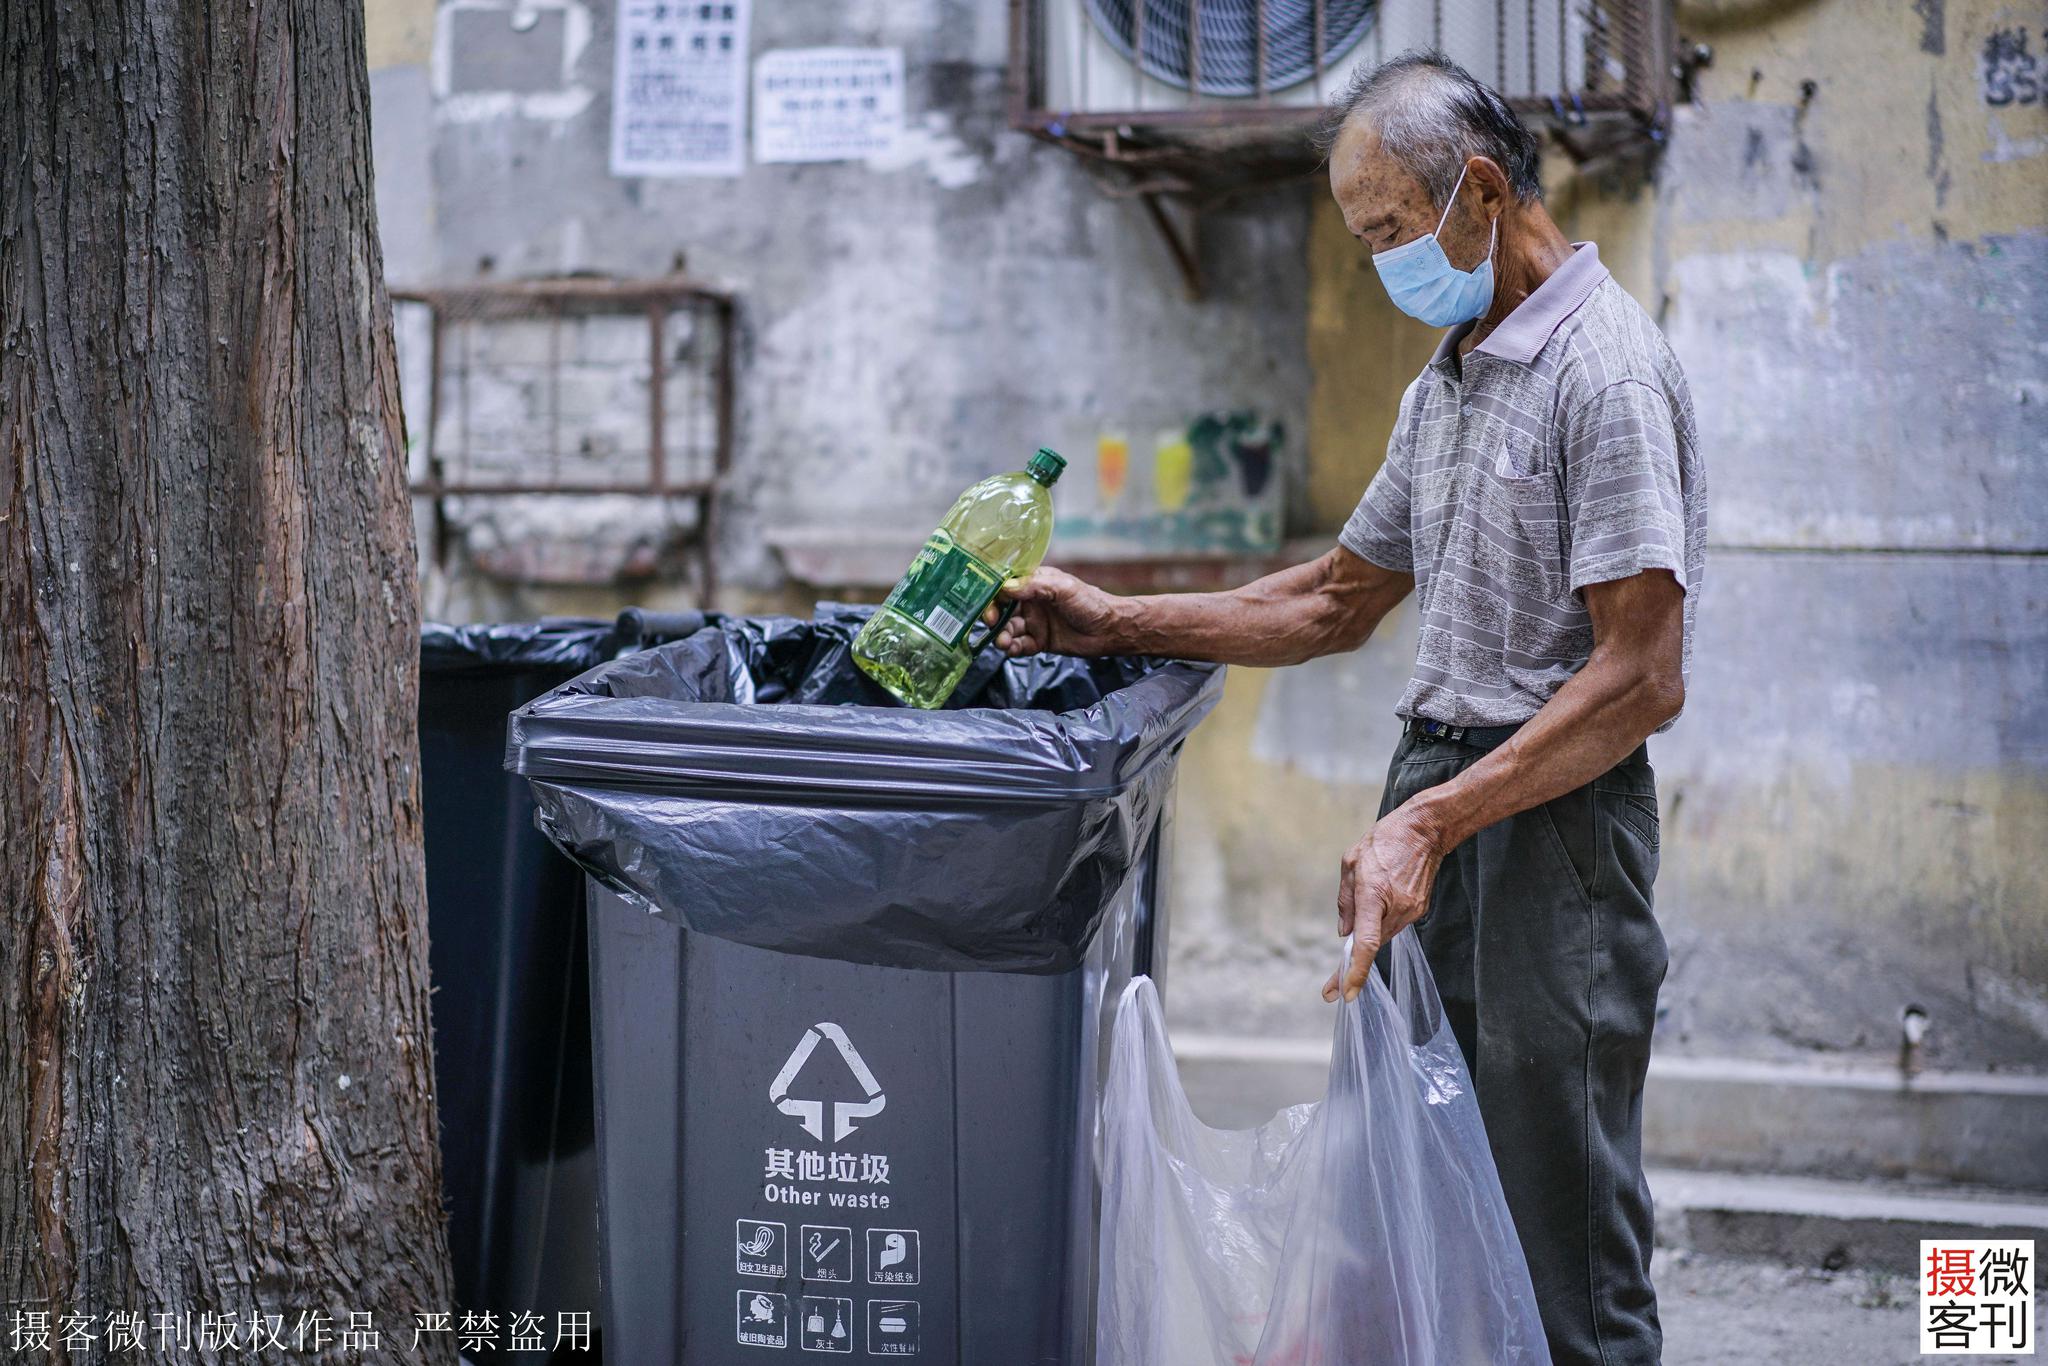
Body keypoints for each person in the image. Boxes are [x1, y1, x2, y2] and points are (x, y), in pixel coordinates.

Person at [986, 50, 1705, 1366]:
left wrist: (1433, 819)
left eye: (1388, 230)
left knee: (1557, 1214)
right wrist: (1118, 617)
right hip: (1437, 799)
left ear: (1479, 190)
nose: (1382, 263)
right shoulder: (1451, 376)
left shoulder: (1603, 369)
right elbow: (1333, 597)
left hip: (1553, 831)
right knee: (1409, 1178)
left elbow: (1641, 676)